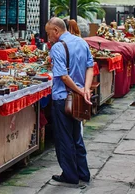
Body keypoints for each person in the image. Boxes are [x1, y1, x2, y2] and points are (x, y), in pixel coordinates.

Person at [46, 17, 93, 186]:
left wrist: (80, 90)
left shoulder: (58, 47)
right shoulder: (81, 42)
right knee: (76, 136)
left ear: (56, 31)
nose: (48, 37)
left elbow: (64, 77)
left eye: (49, 33)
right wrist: (85, 89)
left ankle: (70, 175)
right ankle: (83, 172)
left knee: (64, 138)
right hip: (78, 98)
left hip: (63, 98)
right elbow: (90, 66)